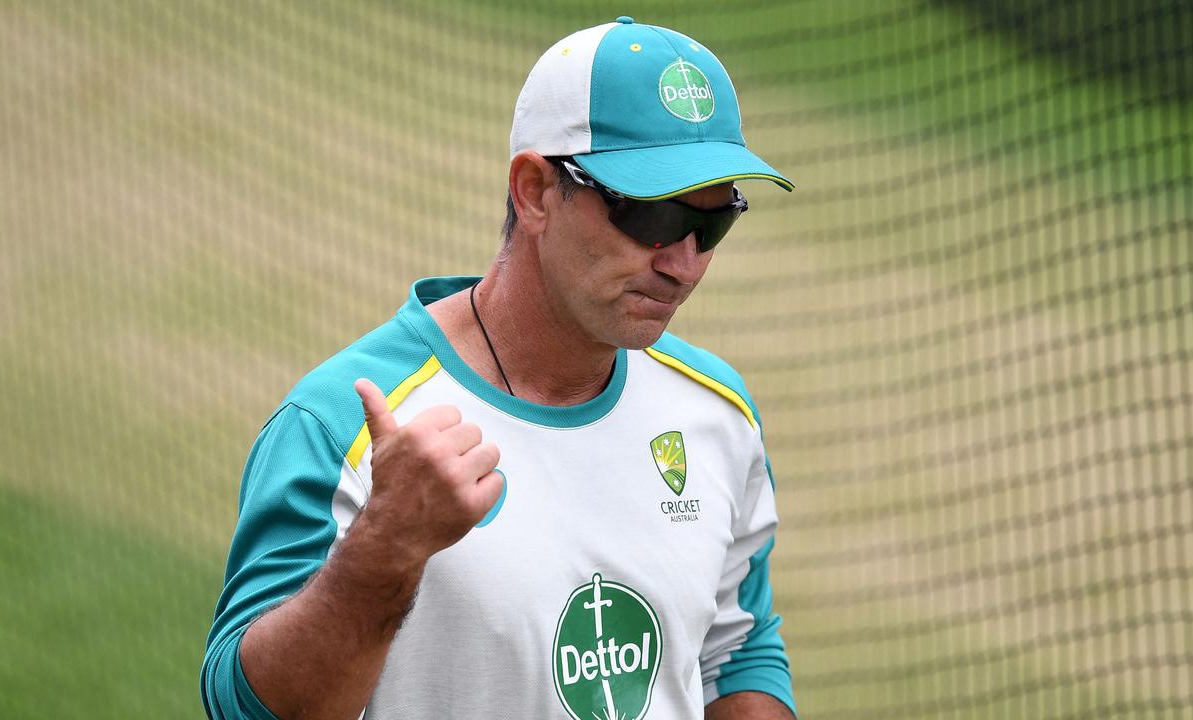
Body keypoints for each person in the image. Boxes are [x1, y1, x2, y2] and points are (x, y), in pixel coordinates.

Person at [202, 16, 796, 720]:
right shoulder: (342, 426)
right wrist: (385, 549)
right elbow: (247, 709)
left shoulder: (717, 412)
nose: (682, 263)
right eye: (652, 218)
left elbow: (735, 649)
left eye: (714, 222)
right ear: (536, 191)